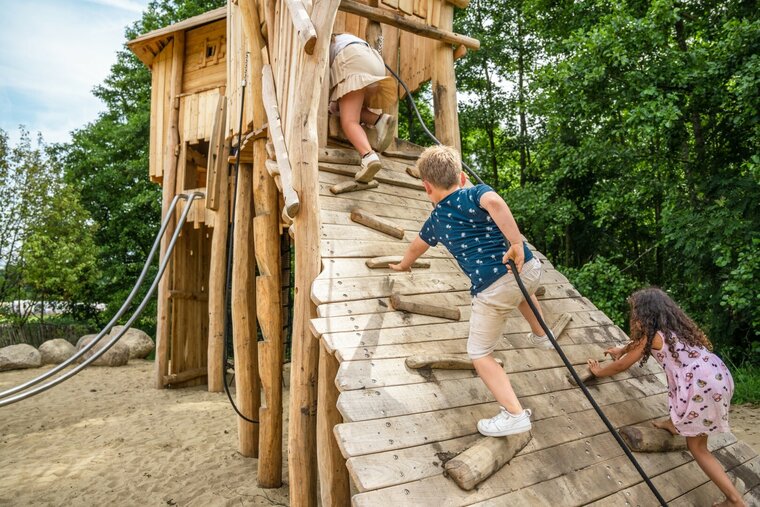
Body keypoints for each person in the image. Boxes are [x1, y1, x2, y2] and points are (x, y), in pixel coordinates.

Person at [390, 145, 553, 437]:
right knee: (521, 291)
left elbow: (417, 245)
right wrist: (517, 245)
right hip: (527, 268)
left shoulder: (436, 220)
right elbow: (495, 202)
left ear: (427, 187)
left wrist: (403, 265)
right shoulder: (475, 192)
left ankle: (515, 415)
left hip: (492, 288)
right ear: (462, 176)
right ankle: (543, 335)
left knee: (479, 353)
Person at [587, 287, 744, 507]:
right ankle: (673, 423)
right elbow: (643, 344)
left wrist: (598, 372)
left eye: (636, 312)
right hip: (718, 377)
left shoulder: (655, 336)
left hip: (702, 386)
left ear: (645, 314)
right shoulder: (677, 330)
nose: (634, 317)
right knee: (684, 404)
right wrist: (622, 348)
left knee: (697, 447)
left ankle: (735, 501)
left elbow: (623, 365)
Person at [329, 33, 397, 182]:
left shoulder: (327, 43)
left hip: (353, 59)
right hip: (375, 61)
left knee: (349, 121)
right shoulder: (344, 38)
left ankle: (368, 156)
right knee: (349, 107)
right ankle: (380, 121)